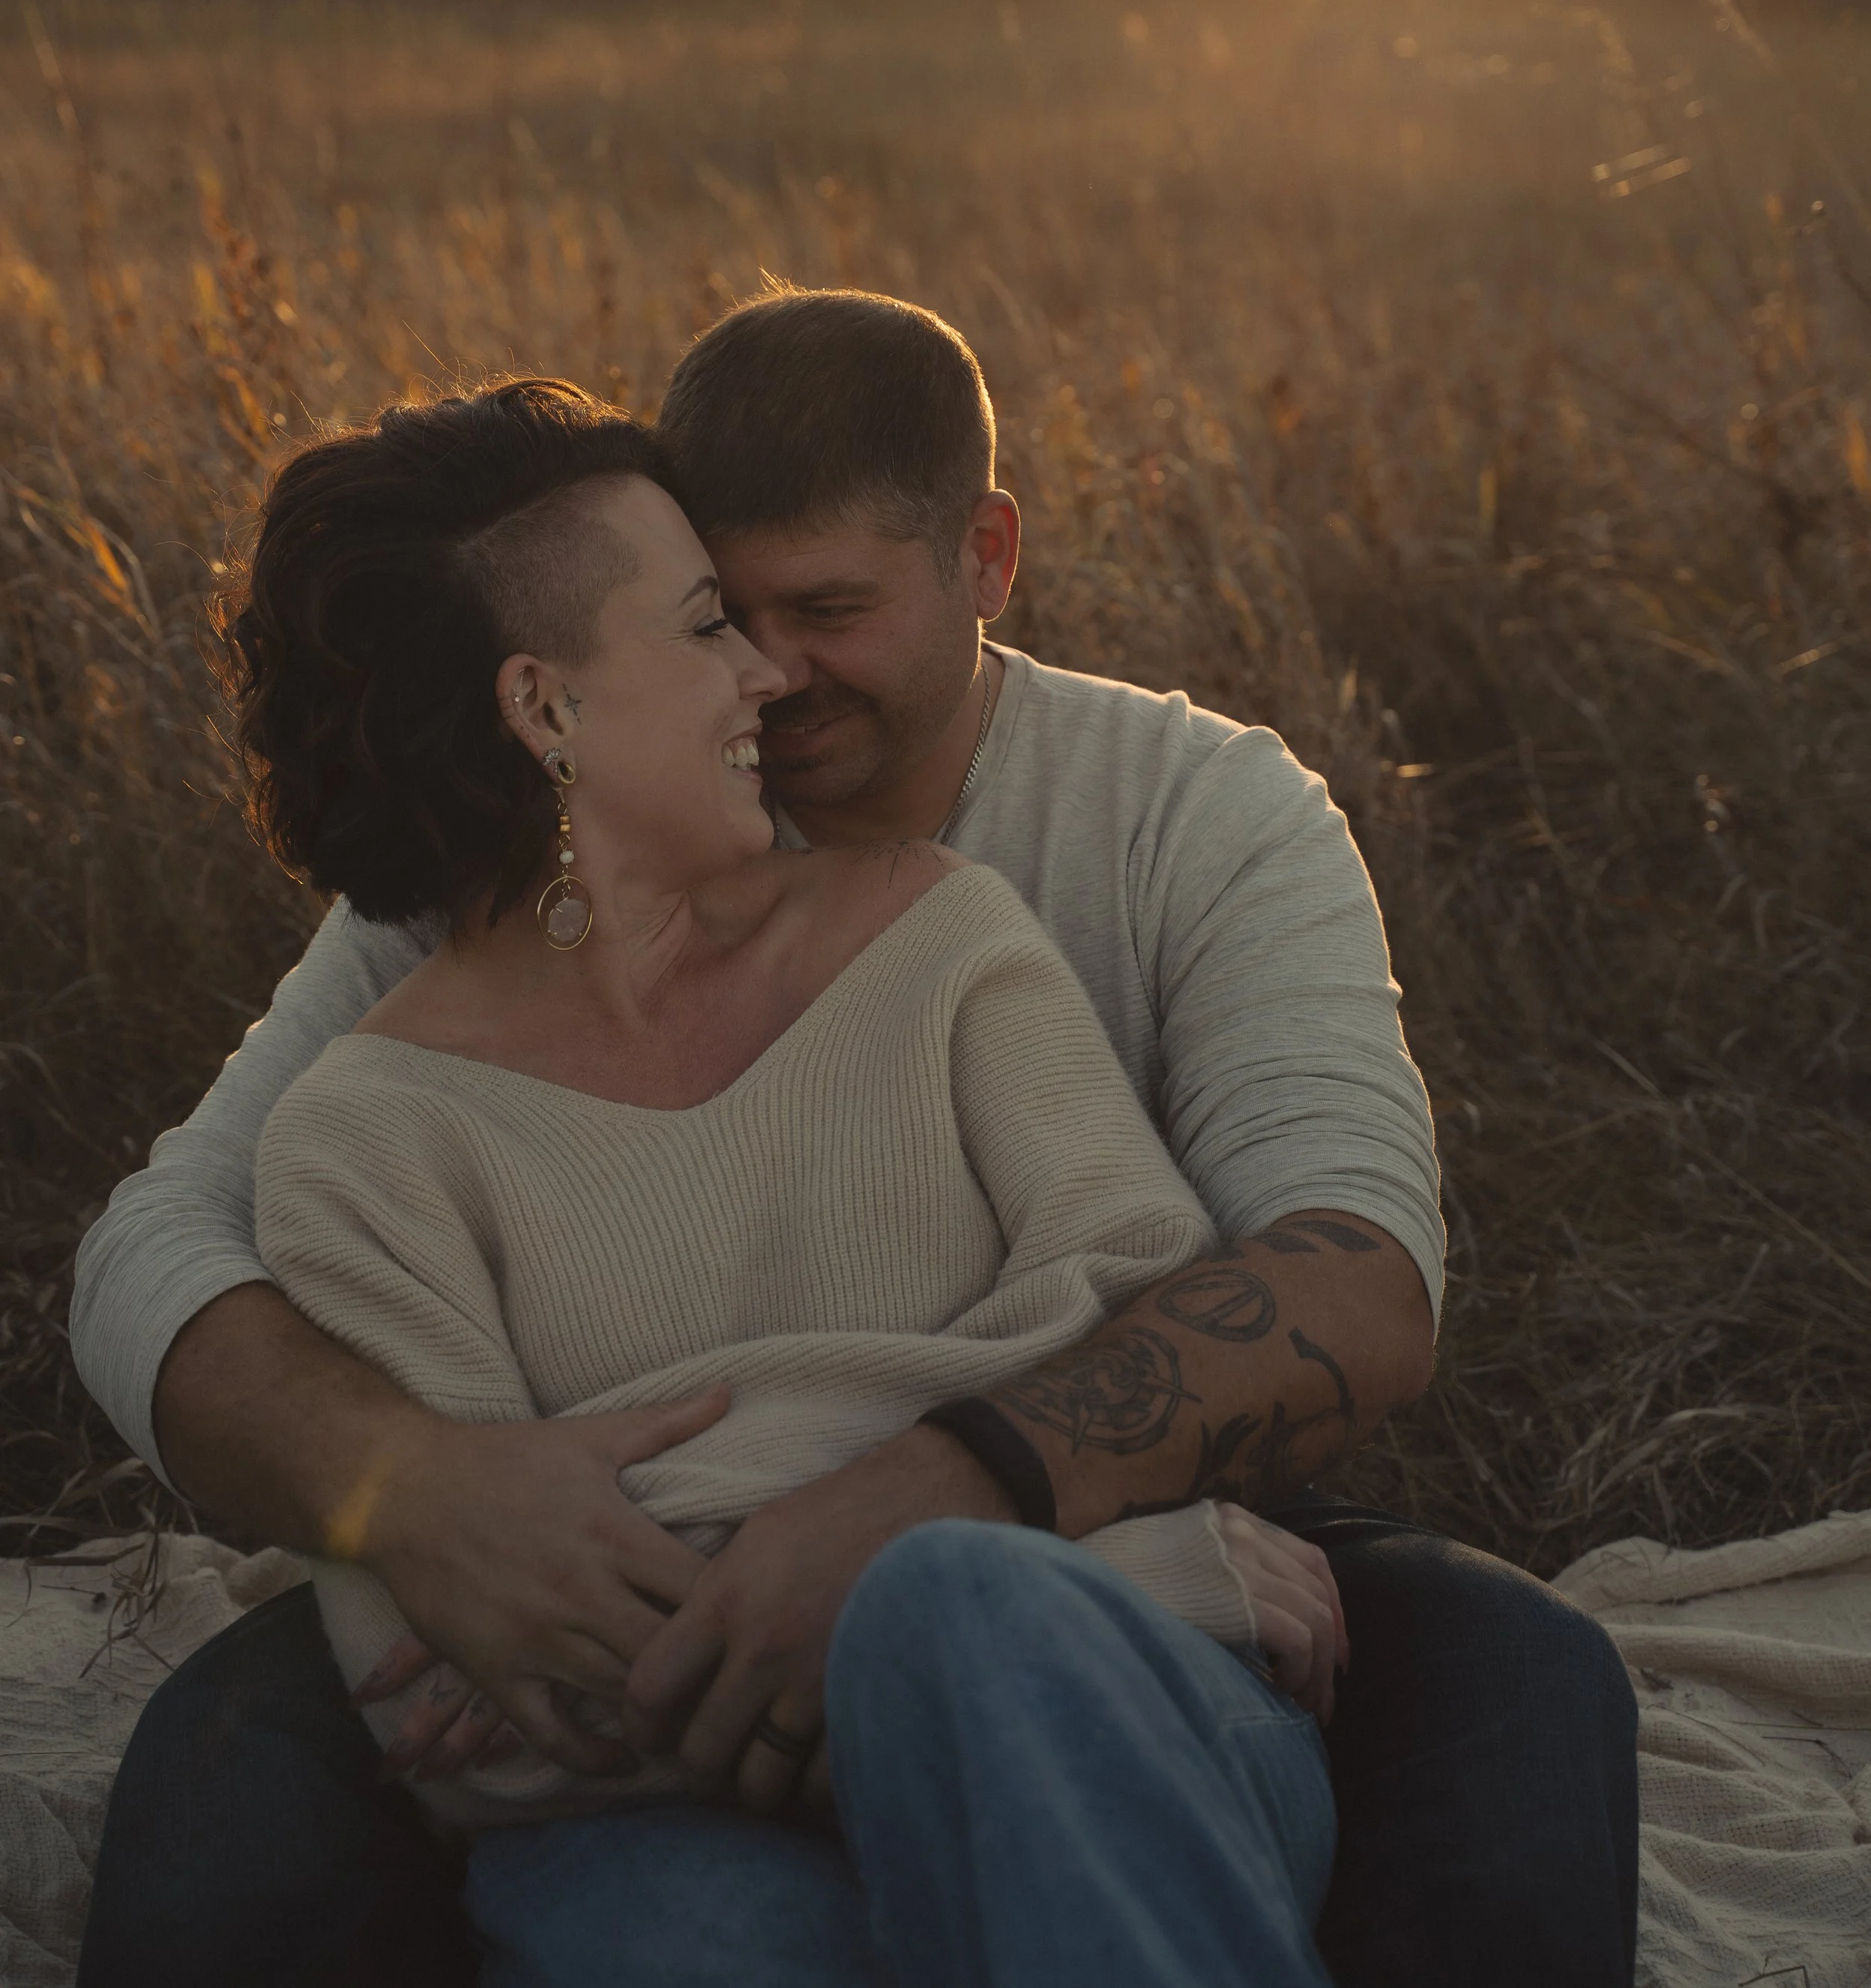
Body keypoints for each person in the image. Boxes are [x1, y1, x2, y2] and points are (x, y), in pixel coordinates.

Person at [73, 292, 1638, 1988]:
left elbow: (1349, 1273)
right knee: (232, 1811)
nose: (769, 669)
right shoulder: (510, 880)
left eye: (829, 610)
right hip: (603, 1577)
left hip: (1078, 1507)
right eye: (719, 616)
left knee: (1514, 1694)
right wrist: (414, 1491)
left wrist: (940, 1497)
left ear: (984, 556)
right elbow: (157, 1249)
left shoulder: (1181, 816)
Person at [221, 372, 1343, 1988]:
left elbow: (1143, 1356)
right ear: (545, 712)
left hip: (1095, 1715)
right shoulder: (364, 1147)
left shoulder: (937, 937)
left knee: (966, 1608)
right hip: (668, 1833)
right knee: (713, 1944)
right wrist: (1089, 1577)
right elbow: (469, 1710)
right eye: (700, 628)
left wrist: (895, 1596)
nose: (761, 673)